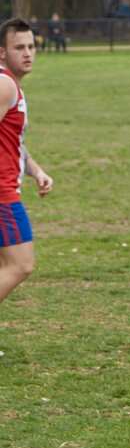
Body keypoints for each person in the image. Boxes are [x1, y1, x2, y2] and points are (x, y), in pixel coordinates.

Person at [0, 18, 53, 312]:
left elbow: (11, 141)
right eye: (19, 47)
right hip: (2, 194)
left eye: (31, 46)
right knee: (21, 264)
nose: (28, 53)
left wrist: (35, 170)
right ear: (2, 52)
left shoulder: (11, 85)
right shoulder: (5, 84)